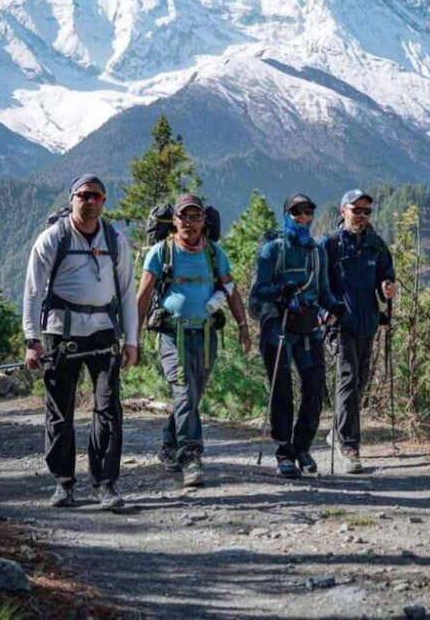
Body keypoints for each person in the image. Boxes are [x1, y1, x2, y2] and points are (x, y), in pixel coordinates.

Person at [23, 174, 138, 508]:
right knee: (60, 410)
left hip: (104, 332)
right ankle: (64, 484)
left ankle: (105, 485)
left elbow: (128, 293)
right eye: (84, 195)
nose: (90, 201)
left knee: (108, 409)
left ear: (104, 202)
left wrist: (132, 340)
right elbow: (32, 293)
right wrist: (33, 341)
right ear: (72, 198)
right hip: (61, 332)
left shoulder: (115, 240)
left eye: (97, 196)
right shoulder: (51, 239)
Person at [136, 194, 250, 487]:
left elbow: (231, 289)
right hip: (173, 335)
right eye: (183, 216)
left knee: (192, 395)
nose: (189, 222)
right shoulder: (161, 252)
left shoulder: (214, 253)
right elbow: (143, 295)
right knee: (185, 391)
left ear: (204, 221)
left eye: (195, 216)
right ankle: (191, 457)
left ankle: (169, 444)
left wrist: (243, 326)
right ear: (174, 220)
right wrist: (131, 339)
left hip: (207, 334)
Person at [251, 194, 344, 478]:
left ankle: (302, 446)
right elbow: (258, 291)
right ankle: (284, 452)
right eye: (296, 212)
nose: (303, 217)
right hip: (278, 329)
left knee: (315, 389)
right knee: (282, 393)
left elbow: (324, 291)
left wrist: (335, 306)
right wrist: (281, 291)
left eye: (308, 212)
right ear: (286, 215)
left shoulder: (318, 252)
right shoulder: (273, 250)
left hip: (308, 328)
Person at [321, 188, 395, 473]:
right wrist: (325, 313)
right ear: (343, 211)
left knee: (360, 381)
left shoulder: (376, 245)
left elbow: (385, 277)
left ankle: (338, 432)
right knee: (349, 380)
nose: (362, 216)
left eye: (366, 212)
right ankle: (349, 447)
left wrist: (386, 287)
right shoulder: (329, 245)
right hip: (340, 325)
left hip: (368, 323)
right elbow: (319, 284)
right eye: (356, 210)